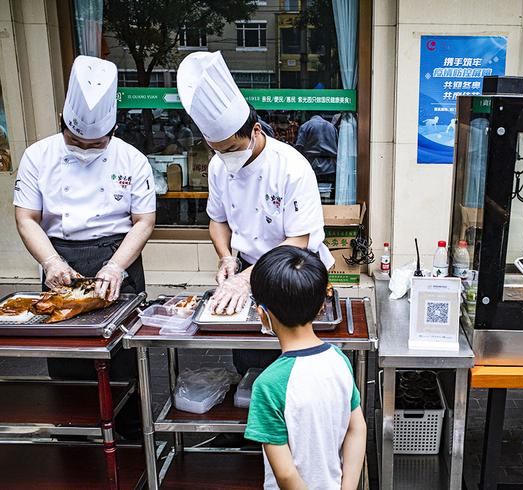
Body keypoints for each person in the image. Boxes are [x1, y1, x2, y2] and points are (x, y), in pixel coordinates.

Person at [13, 55, 156, 439]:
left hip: (118, 256)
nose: (86, 149)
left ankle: (129, 438)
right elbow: (26, 217)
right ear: (64, 125)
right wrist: (50, 261)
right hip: (61, 255)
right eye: (77, 141)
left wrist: (114, 267)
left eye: (96, 143)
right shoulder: (37, 156)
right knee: (67, 360)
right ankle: (72, 437)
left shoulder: (132, 159)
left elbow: (143, 222)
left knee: (124, 358)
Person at [176, 51, 333, 373]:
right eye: (217, 151)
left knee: (296, 360)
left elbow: (297, 240)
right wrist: (226, 258)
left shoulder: (291, 167)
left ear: (256, 131)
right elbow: (217, 219)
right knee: (250, 354)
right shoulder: (220, 166)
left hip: (297, 270)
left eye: (232, 148)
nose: (226, 157)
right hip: (248, 266)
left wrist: (244, 281)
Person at [244, 246, 366, 490]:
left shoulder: (268, 385)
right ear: (322, 306)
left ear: (262, 315)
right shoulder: (339, 359)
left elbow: (286, 474)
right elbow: (357, 427)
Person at [295, 114, 338, 181]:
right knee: (330, 190)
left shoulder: (305, 126)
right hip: (331, 166)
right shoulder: (332, 127)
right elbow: (337, 145)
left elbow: (299, 147)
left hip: (312, 165)